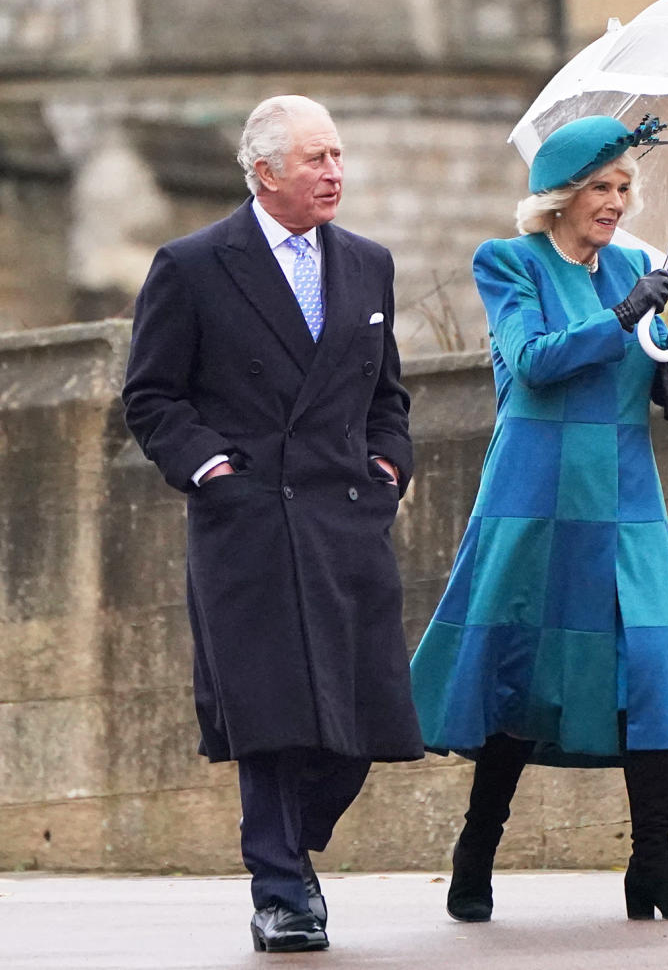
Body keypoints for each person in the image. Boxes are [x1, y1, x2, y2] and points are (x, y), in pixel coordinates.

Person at [123, 95, 423, 953]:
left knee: (363, 724)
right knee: (272, 715)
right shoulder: (193, 264)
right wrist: (210, 468)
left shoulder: (368, 263)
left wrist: (389, 462)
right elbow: (151, 394)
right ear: (264, 172)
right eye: (316, 160)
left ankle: (293, 850)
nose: (335, 173)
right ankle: (281, 889)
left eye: (338, 156)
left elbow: (386, 395)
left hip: (346, 522)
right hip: (249, 523)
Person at [410, 115, 668, 924]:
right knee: (524, 677)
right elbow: (536, 360)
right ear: (559, 196)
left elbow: (664, 380)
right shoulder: (509, 262)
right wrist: (624, 313)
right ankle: (477, 849)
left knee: (650, 670)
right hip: (537, 499)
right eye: (602, 188)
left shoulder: (631, 265)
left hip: (625, 499)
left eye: (625, 188)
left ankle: (652, 864)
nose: (618, 203)